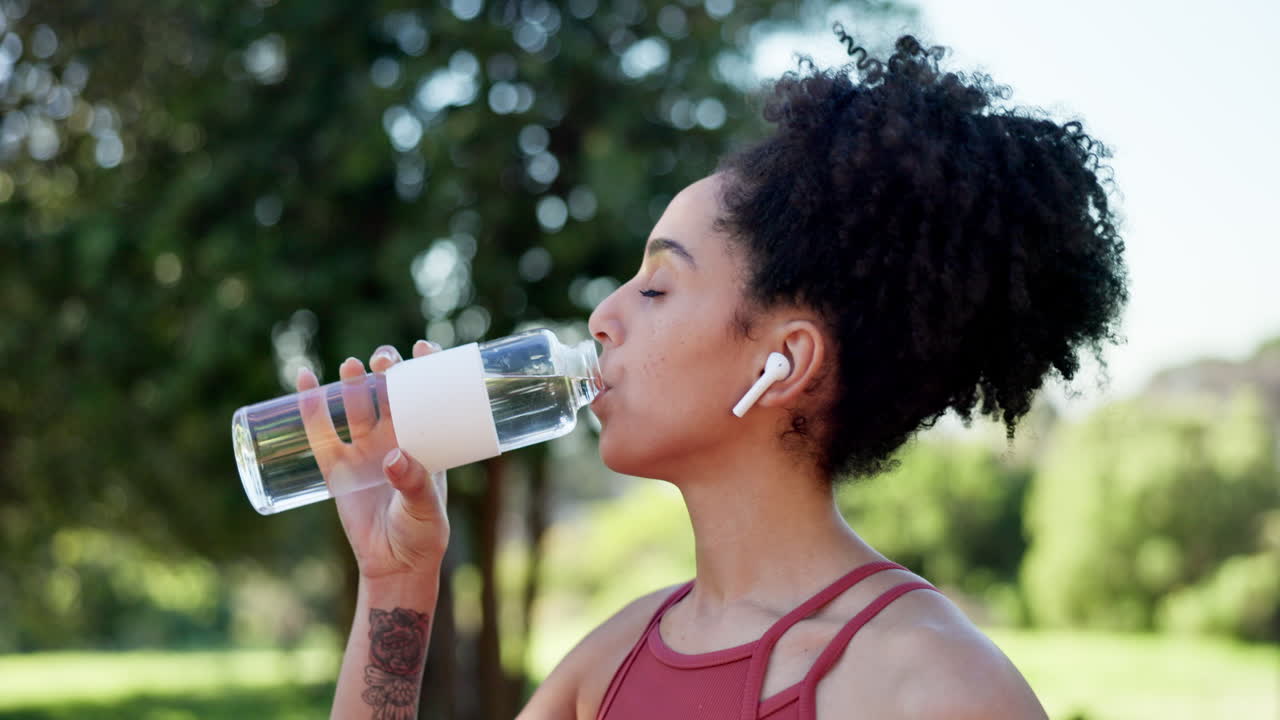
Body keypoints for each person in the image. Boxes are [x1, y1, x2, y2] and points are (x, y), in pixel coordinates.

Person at [299, 31, 1128, 720]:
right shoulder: (612, 660)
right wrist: (395, 587)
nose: (603, 317)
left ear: (785, 363)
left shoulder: (937, 690)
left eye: (658, 286)